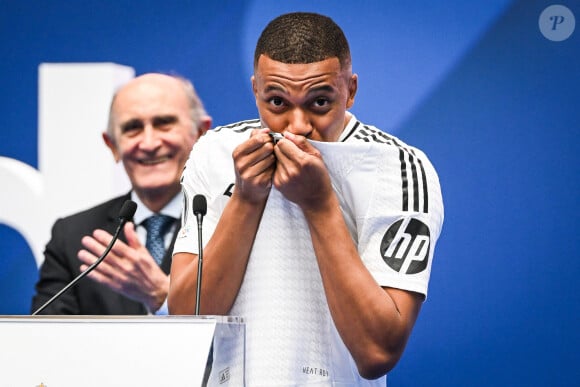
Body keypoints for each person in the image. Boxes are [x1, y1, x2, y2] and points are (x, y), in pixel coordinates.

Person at [169, 12, 444, 386]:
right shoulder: (214, 152)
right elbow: (188, 321)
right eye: (277, 103)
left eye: (319, 102)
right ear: (255, 90)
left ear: (351, 90)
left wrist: (319, 204)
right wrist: (247, 199)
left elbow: (378, 352)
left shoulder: (400, 168)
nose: (297, 126)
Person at [31, 73, 211, 315]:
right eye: (132, 128)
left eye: (163, 123)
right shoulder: (73, 237)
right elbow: (43, 339)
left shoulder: (231, 225)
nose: (149, 143)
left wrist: (163, 296)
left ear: (200, 134)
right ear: (113, 145)